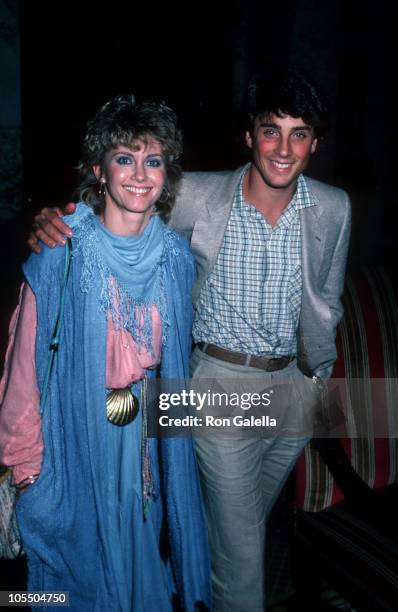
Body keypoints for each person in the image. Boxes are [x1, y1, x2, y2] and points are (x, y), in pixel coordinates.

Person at [27, 68, 351, 611]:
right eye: (271, 130)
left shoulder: (335, 207)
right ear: (249, 136)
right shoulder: (198, 195)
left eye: (300, 133)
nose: (284, 147)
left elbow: (328, 298)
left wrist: (318, 381)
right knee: (243, 563)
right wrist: (52, 219)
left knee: (235, 526)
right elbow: (118, 204)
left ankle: (179, 578)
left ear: (315, 143)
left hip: (296, 387)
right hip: (218, 384)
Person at [0, 94, 211, 611]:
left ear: (167, 174)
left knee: (143, 580)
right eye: (124, 158)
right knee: (70, 586)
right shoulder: (60, 252)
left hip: (141, 453)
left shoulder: (178, 258)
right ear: (99, 170)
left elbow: (175, 375)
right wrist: (25, 471)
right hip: (74, 446)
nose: (139, 174)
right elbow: (23, 369)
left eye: (153, 160)